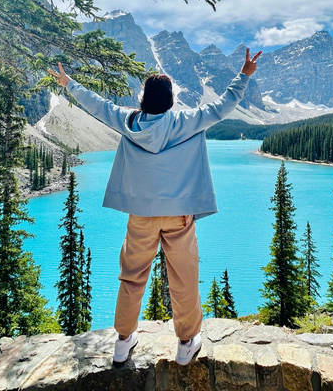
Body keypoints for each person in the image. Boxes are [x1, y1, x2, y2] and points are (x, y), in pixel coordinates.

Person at [48, 47, 261, 365]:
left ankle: (123, 341)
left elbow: (97, 106)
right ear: (170, 99)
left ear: (144, 98)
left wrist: (69, 83)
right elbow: (223, 105)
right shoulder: (187, 121)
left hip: (141, 216)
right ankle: (186, 343)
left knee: (132, 276)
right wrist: (244, 75)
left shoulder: (128, 121)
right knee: (184, 277)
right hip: (178, 216)